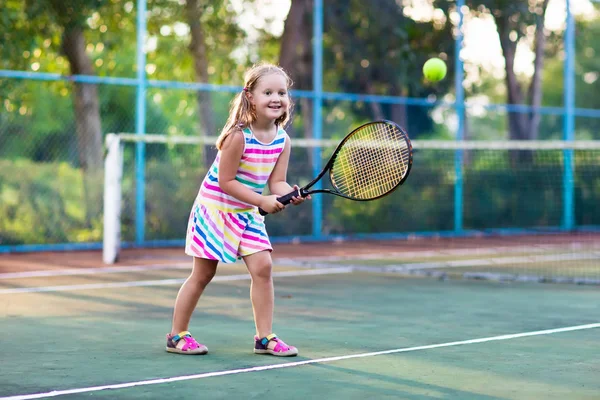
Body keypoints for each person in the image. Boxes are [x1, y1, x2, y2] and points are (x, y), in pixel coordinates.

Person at [166, 63, 309, 357]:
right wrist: (263, 201)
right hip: (214, 211)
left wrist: (290, 194)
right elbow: (226, 181)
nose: (276, 98)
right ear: (250, 97)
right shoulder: (237, 137)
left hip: (246, 215)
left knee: (263, 267)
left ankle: (264, 338)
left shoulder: (283, 141)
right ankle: (177, 335)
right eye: (267, 91)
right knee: (203, 274)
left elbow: (277, 182)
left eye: (281, 92)